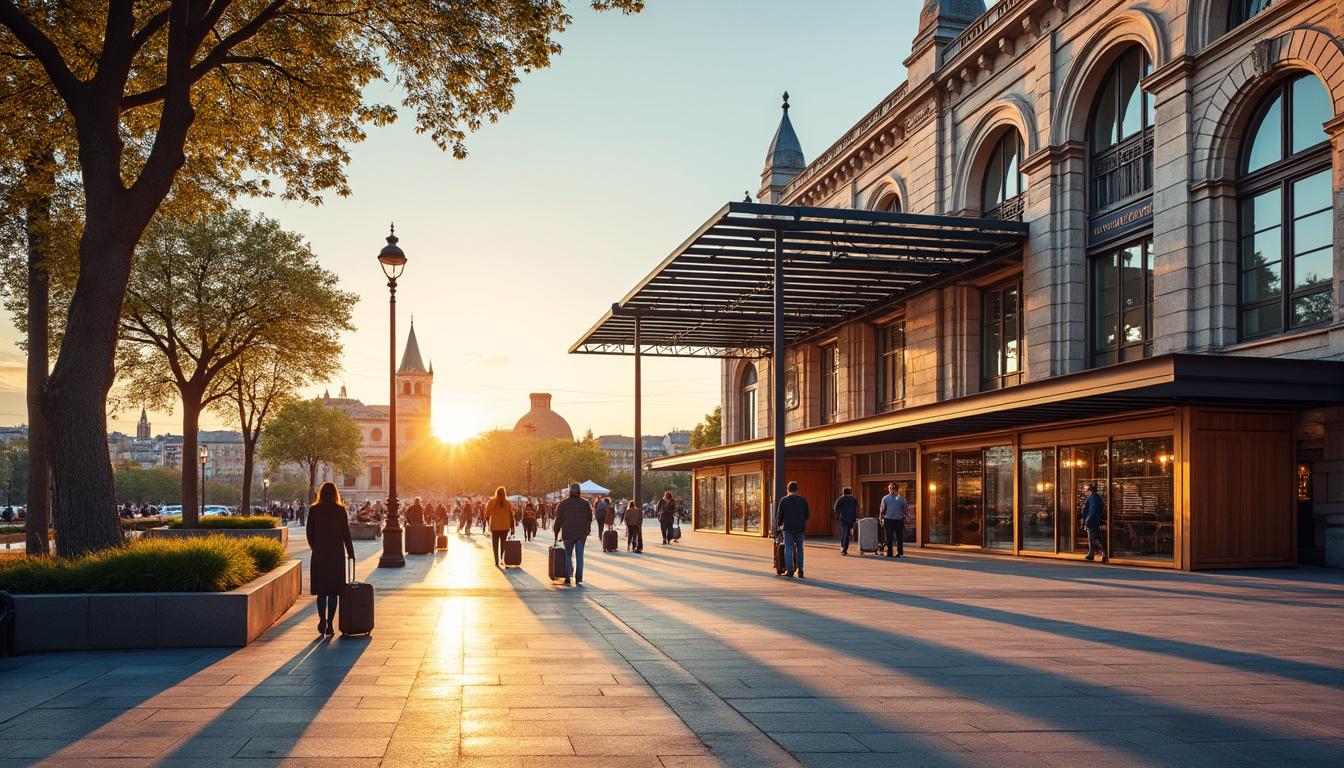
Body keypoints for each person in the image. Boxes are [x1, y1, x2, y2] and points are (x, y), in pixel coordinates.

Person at [306, 482, 355, 636]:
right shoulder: (340, 510)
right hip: (336, 555)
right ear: (335, 494)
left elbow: (309, 533)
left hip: (320, 555)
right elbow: (346, 534)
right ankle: (330, 623)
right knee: (333, 592)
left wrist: (316, 547)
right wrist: (351, 552)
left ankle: (321, 619)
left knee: (321, 591)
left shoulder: (314, 510)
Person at [553, 482, 593, 586]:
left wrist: (556, 532)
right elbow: (590, 518)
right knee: (580, 556)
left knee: (568, 555)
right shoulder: (585, 503)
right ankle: (579, 577)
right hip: (581, 534)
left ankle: (567, 576)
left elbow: (558, 520)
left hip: (567, 533)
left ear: (570, 492)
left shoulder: (563, 504)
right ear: (579, 492)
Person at [775, 481, 809, 578]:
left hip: (788, 528)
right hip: (800, 527)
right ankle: (800, 570)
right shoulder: (803, 500)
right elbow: (807, 515)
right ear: (797, 490)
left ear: (787, 489)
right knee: (800, 548)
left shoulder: (784, 500)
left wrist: (779, 525)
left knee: (788, 548)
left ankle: (789, 571)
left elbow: (779, 516)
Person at [485, 487, 516, 568]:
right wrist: (512, 527)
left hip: (495, 527)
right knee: (503, 544)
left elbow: (487, 513)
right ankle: (502, 558)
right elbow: (511, 515)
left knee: (495, 544)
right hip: (505, 527)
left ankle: (496, 561)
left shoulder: (492, 501)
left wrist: (488, 521)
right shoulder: (507, 502)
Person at [880, 482, 909, 558]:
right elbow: (882, 510)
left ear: (895, 489)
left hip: (894, 520)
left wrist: (881, 519)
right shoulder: (901, 499)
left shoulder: (887, 498)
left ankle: (897, 553)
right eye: (890, 488)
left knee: (897, 537)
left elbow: (882, 510)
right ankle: (896, 553)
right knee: (893, 537)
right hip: (892, 520)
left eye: (891, 488)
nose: (890, 490)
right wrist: (881, 519)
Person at [1083, 482, 1108, 562]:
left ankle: (1105, 553)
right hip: (1092, 520)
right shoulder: (1093, 497)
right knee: (1091, 538)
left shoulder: (1093, 498)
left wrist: (1087, 520)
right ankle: (1091, 554)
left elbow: (1092, 510)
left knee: (1094, 538)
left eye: (1085, 489)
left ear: (1089, 490)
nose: (1084, 491)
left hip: (1092, 521)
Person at [833, 487, 859, 555]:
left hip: (843, 519)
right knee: (846, 533)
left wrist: (837, 516)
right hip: (851, 519)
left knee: (844, 533)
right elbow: (856, 508)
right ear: (850, 492)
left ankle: (843, 548)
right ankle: (843, 547)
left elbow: (835, 508)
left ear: (843, 492)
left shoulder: (840, 499)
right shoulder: (854, 499)